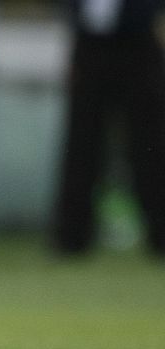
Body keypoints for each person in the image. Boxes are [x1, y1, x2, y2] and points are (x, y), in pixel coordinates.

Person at [53, 0, 165, 255]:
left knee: (150, 145)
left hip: (137, 41)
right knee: (81, 145)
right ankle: (71, 236)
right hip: (90, 43)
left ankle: (160, 232)